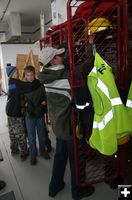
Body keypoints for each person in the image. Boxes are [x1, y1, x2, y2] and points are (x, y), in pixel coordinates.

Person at [38, 47, 95, 200]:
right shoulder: (65, 79)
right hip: (70, 127)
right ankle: (78, 191)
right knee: (77, 160)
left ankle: (54, 187)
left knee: (60, 157)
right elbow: (84, 68)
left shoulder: (46, 75)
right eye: (59, 55)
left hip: (58, 125)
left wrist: (68, 49)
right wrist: (91, 47)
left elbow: (65, 68)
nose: (62, 56)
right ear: (53, 60)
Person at [6, 65, 41, 161]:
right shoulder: (16, 83)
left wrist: (24, 81)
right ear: (12, 74)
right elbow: (29, 86)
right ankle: (24, 153)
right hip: (15, 113)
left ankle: (14, 150)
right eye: (16, 72)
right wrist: (37, 81)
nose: (18, 73)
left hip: (9, 112)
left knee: (12, 133)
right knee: (20, 134)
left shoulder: (11, 83)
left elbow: (21, 85)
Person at [23, 65, 50, 165]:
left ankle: (43, 152)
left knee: (42, 135)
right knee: (31, 137)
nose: (30, 77)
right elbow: (22, 101)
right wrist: (27, 107)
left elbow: (44, 98)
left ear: (34, 74)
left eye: (32, 75)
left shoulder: (40, 85)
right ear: (25, 75)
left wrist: (41, 106)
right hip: (29, 116)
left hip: (39, 115)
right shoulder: (23, 87)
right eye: (28, 75)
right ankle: (33, 156)